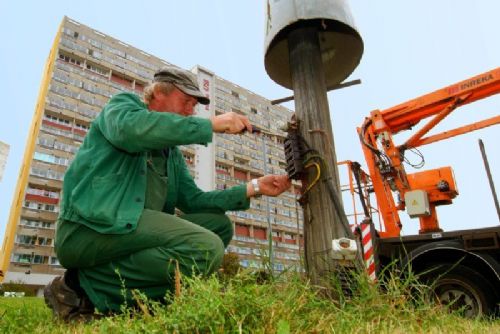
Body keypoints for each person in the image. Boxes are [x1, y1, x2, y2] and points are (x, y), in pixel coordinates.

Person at [44, 65, 291, 321]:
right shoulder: (122, 107)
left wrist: (255, 187)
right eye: (186, 101)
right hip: (89, 228)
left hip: (130, 231)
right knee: (206, 246)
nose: (190, 110)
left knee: (218, 226)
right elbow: (132, 131)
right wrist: (210, 124)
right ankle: (78, 285)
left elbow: (194, 200)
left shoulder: (171, 154)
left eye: (194, 106)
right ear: (159, 93)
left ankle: (147, 299)